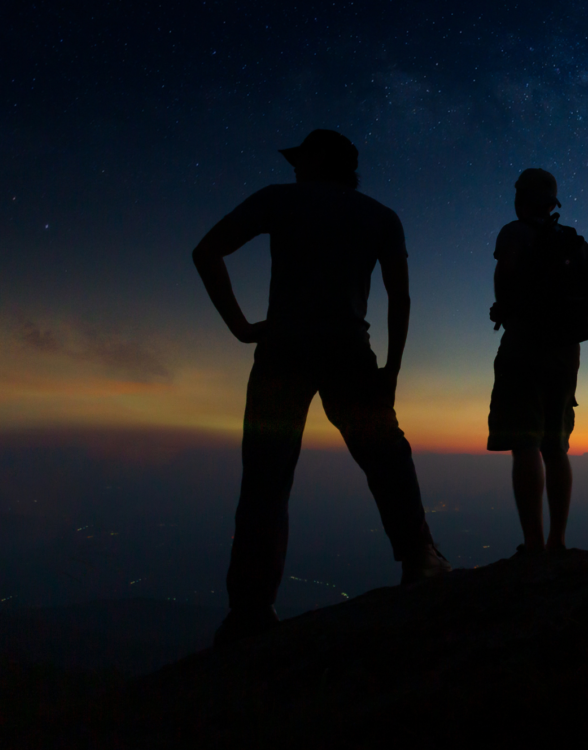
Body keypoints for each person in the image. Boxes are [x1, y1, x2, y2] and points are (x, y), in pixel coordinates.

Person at [191, 129, 449, 647]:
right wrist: (392, 372)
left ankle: (250, 609)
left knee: (266, 477)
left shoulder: (277, 200)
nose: (293, 169)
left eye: (299, 161)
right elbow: (400, 299)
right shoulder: (379, 215)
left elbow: (206, 252)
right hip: (348, 351)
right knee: (385, 457)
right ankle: (420, 558)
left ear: (310, 163)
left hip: (282, 350)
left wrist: (242, 327)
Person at [487, 168, 588, 554]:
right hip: (566, 352)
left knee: (525, 443)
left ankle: (533, 543)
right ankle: (557, 541)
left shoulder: (514, 232)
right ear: (552, 204)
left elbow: (506, 273)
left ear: (520, 198)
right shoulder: (572, 241)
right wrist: (575, 303)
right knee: (555, 446)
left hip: (524, 345)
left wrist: (510, 307)